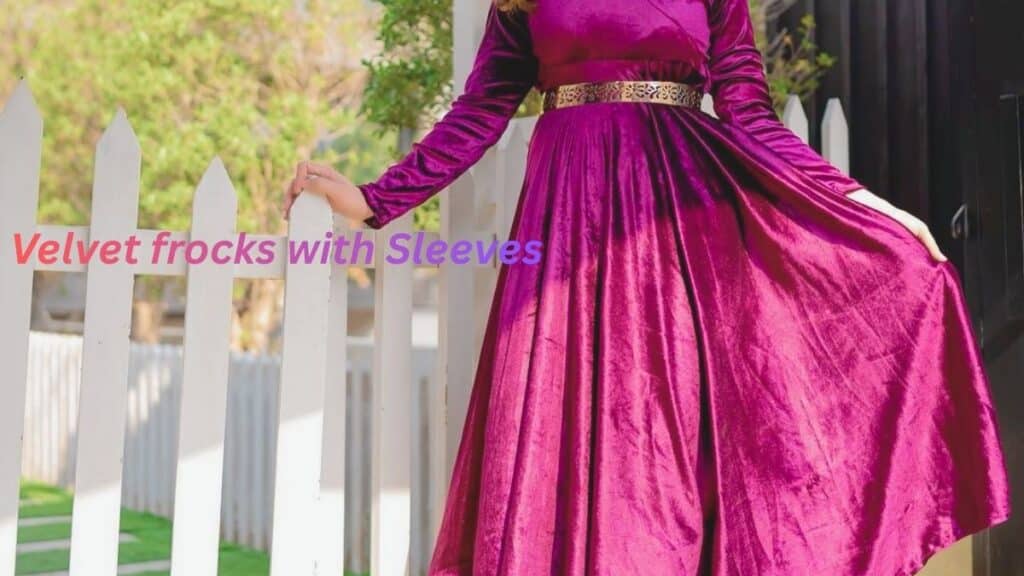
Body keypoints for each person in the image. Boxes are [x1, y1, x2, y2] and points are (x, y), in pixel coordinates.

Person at [284, 0, 1011, 574]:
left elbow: (751, 115)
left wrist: (857, 202)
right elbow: (480, 109)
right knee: (564, 409)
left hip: (680, 217)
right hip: (570, 208)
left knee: (671, 425)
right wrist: (379, 198)